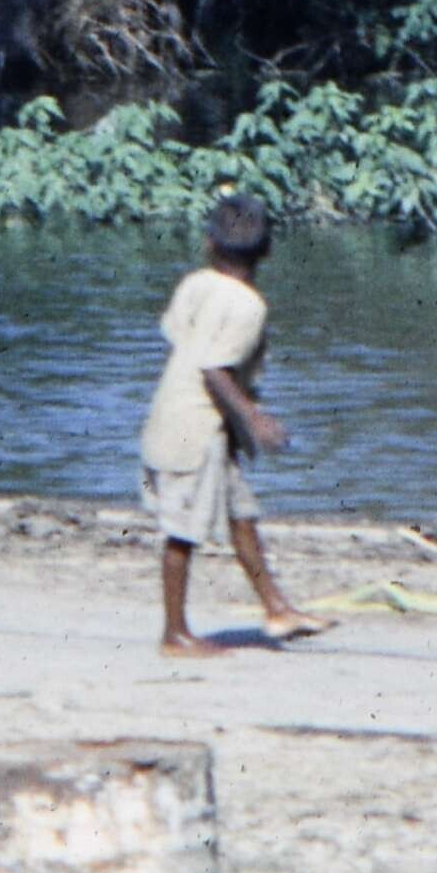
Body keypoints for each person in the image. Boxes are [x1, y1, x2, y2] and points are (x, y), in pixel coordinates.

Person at [136, 191, 323, 652]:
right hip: (193, 430)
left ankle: (276, 608)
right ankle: (174, 633)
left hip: (192, 419)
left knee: (242, 514)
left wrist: (237, 424)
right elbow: (214, 368)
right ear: (268, 250)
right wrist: (254, 418)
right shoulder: (248, 306)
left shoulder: (195, 284)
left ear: (209, 244)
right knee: (182, 533)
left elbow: (181, 337)